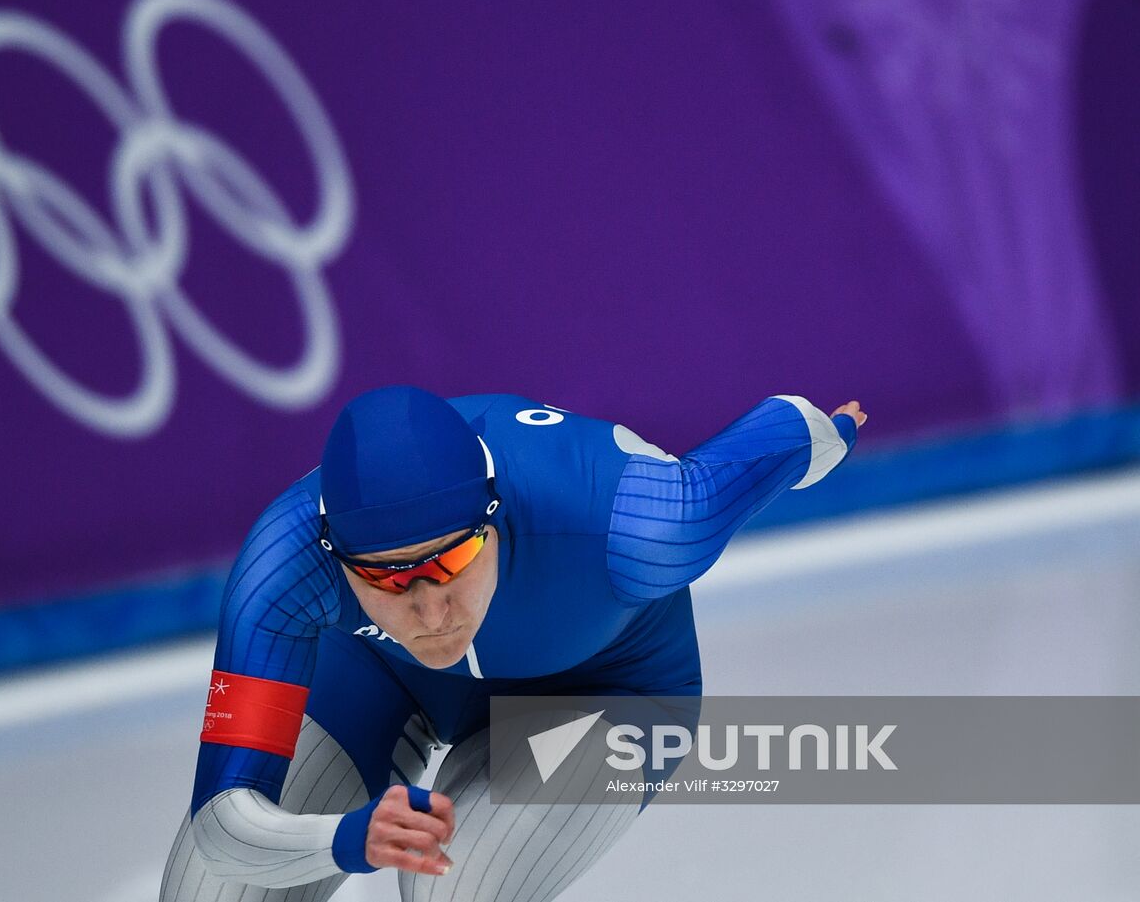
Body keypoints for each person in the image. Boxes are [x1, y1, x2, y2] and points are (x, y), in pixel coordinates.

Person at [160, 386, 866, 902]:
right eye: (385, 579)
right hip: (383, 676)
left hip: (607, 689)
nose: (431, 611)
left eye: (453, 563)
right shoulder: (281, 570)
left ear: (494, 519)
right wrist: (345, 837)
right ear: (332, 556)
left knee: (453, 888)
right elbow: (224, 822)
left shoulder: (636, 525)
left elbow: (769, 447)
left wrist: (830, 429)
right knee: (209, 894)